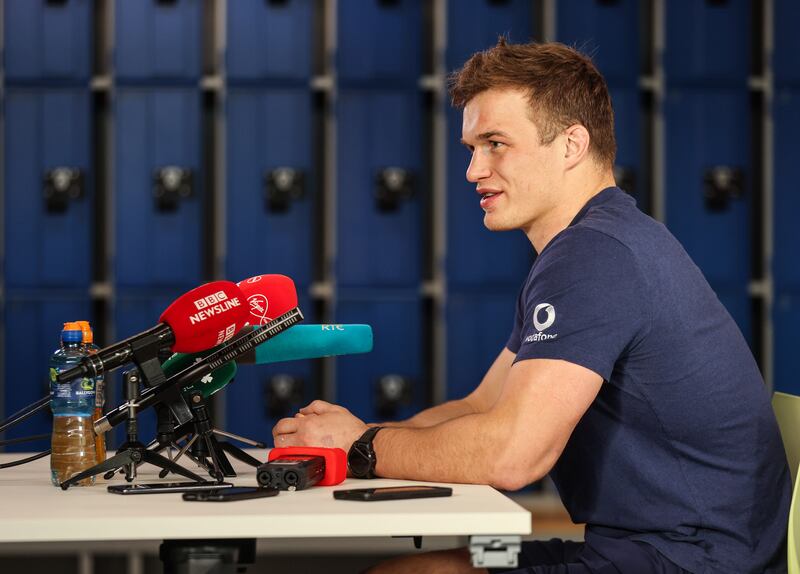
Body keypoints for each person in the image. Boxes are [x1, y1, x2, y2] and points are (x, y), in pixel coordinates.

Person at [272, 39, 790, 574]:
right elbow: (481, 408)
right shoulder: (591, 244)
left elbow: (513, 455)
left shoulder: (594, 256)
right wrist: (357, 444)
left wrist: (361, 445)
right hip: (650, 549)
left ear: (571, 144)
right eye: (471, 148)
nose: (474, 170)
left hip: (692, 561)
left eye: (496, 143)